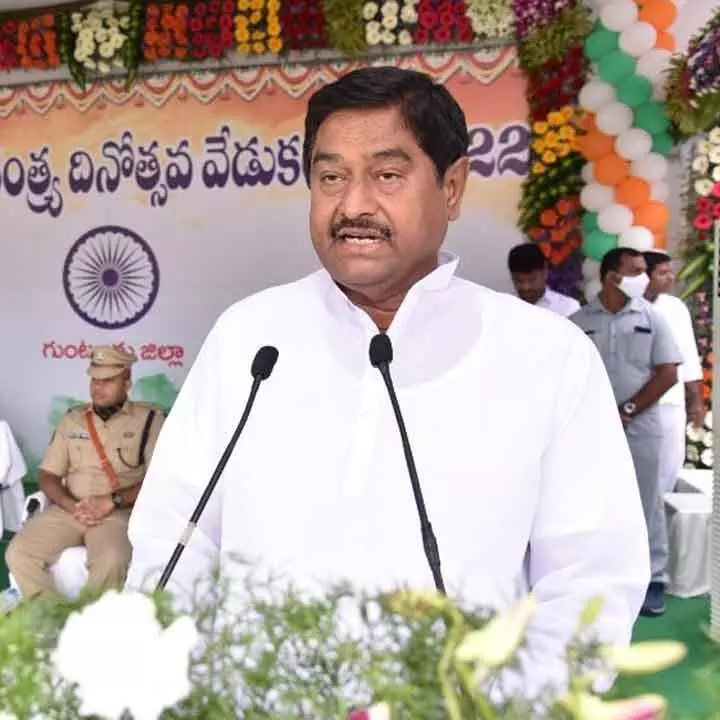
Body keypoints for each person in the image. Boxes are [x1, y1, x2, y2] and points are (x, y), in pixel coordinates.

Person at [126, 67, 648, 687]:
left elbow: (589, 580)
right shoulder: (249, 337)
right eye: (330, 177)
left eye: (387, 175)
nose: (353, 205)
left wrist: (507, 702)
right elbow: (174, 540)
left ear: (452, 188)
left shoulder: (546, 355)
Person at [570, 248, 681, 617]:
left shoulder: (652, 318)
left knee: (646, 502)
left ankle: (654, 579)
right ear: (611, 276)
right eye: (636, 271)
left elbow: (668, 372)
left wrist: (630, 409)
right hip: (591, 432)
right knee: (592, 502)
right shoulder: (578, 320)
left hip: (640, 428)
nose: (644, 278)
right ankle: (599, 576)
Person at [6, 346, 165, 599]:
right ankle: (49, 618)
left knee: (112, 559)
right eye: (94, 380)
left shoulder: (149, 420)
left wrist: (111, 501)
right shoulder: (73, 419)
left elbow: (160, 481)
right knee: (19, 552)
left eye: (108, 380)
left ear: (127, 382)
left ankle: (92, 626)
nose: (97, 387)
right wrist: (71, 504)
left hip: (118, 512)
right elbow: (49, 476)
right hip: (72, 510)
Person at [643, 251, 706, 494]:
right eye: (663, 273)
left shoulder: (675, 307)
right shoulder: (629, 305)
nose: (671, 278)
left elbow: (688, 355)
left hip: (671, 401)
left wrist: (697, 401)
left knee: (670, 464)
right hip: (637, 403)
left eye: (671, 272)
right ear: (645, 277)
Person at [507, 243, 581, 316]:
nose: (526, 287)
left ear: (545, 271)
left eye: (532, 279)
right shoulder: (503, 306)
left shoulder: (568, 308)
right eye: (519, 280)